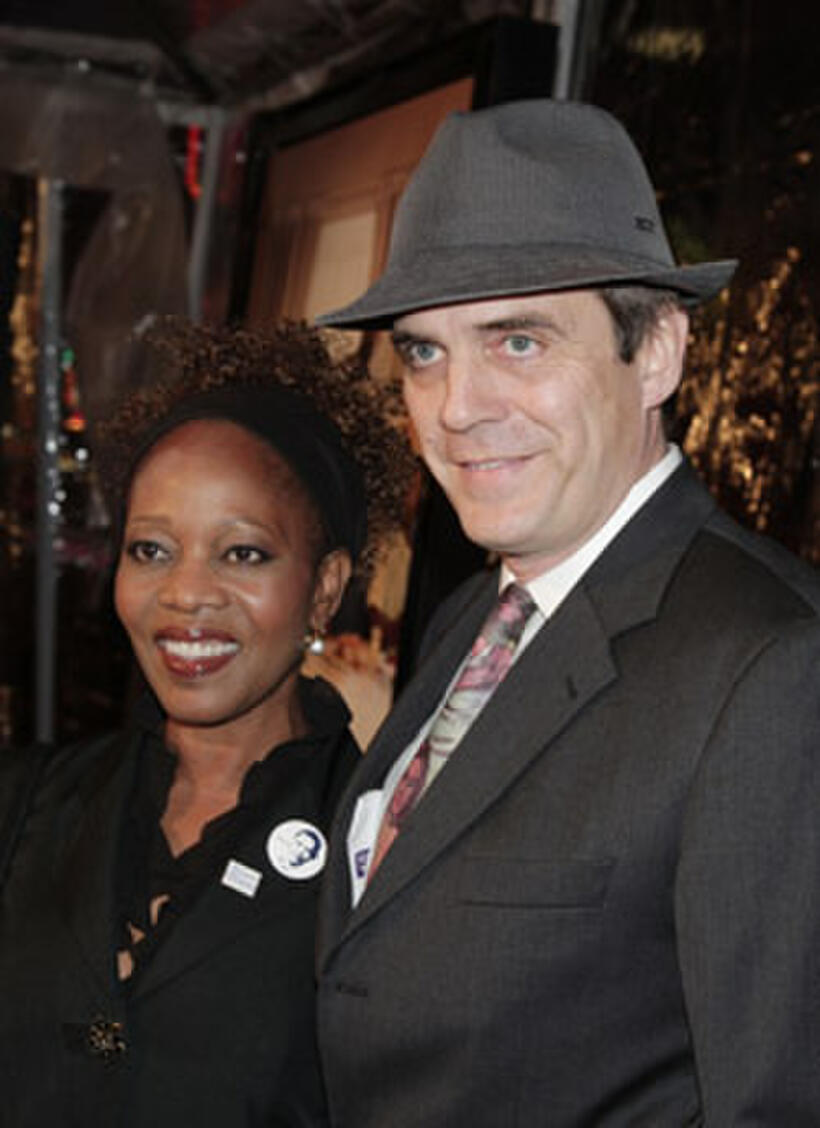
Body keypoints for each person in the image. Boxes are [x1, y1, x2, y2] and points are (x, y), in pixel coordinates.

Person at [314, 99, 820, 1124]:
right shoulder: (474, 614)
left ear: (659, 354)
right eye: (423, 353)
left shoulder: (771, 665)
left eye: (517, 341)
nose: (456, 405)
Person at [0, 321, 411, 1127]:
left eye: (243, 554)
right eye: (151, 549)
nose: (186, 593)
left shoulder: (383, 863)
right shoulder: (28, 805)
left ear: (325, 589)